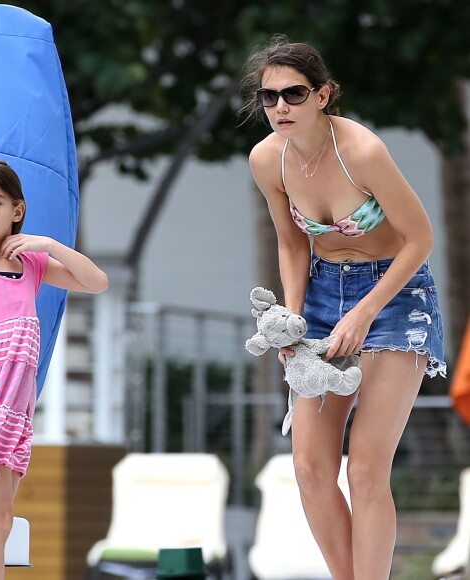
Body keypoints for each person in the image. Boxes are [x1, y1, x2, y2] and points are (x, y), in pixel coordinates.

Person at [241, 36, 446, 579]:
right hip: (323, 294)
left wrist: (364, 313)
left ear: (323, 95)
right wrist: (290, 322)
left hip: (395, 295)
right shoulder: (268, 159)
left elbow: (419, 239)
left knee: (366, 469)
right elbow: (290, 243)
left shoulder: (362, 152)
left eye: (294, 93)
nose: (280, 107)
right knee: (309, 468)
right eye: (268, 97)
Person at [0, 155, 109, 580]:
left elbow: (96, 282)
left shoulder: (32, 265)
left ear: (17, 210)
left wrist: (49, 245)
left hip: (16, 403)